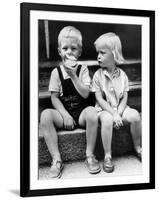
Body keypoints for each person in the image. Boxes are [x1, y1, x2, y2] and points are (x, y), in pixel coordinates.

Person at [40, 26, 101, 178]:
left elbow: (86, 94)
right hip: (64, 113)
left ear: (79, 52)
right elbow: (54, 97)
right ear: (60, 51)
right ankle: (56, 159)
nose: (69, 52)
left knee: (93, 112)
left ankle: (89, 155)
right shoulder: (56, 72)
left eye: (73, 48)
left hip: (81, 113)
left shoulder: (83, 69)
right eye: (65, 48)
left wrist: (73, 76)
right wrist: (65, 115)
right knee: (45, 115)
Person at [92, 32, 142, 173]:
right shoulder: (97, 75)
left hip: (120, 108)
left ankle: (138, 147)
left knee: (135, 116)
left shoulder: (123, 75)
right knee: (107, 120)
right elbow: (99, 99)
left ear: (114, 54)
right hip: (104, 110)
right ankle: (108, 155)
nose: (98, 56)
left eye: (102, 53)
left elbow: (124, 97)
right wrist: (113, 114)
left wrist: (119, 113)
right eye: (98, 53)